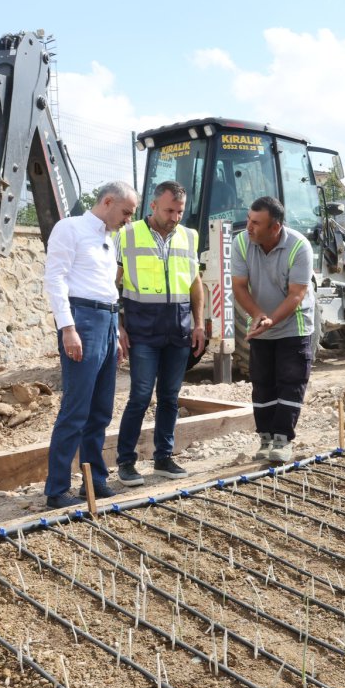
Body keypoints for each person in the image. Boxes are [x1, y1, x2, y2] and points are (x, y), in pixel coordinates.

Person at [42, 182, 138, 509]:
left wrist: (116, 330)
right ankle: (57, 489)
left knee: (101, 409)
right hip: (82, 320)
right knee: (76, 408)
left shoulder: (108, 239)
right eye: (126, 212)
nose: (128, 219)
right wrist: (68, 328)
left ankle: (93, 480)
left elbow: (107, 288)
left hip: (106, 321)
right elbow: (55, 279)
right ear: (108, 201)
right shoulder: (70, 229)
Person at [115, 181, 205, 485]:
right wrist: (118, 326)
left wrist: (199, 324)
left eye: (180, 211)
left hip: (178, 331)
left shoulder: (189, 236)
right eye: (169, 210)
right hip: (142, 332)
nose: (175, 217)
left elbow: (195, 284)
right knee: (140, 396)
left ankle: (163, 458)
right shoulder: (127, 235)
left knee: (169, 396)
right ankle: (126, 462)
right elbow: (112, 283)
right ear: (153, 206)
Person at [231, 196, 315, 463]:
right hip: (260, 325)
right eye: (249, 219)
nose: (249, 226)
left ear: (275, 227)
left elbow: (296, 294)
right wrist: (258, 315)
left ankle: (282, 440)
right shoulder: (241, 242)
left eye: (256, 223)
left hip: (293, 326)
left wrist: (271, 320)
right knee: (262, 384)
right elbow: (239, 287)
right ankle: (266, 438)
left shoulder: (299, 246)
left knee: (290, 382)